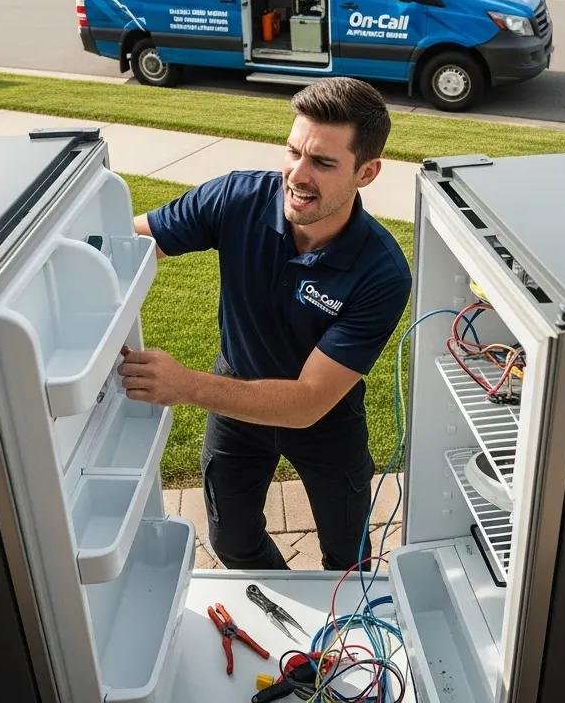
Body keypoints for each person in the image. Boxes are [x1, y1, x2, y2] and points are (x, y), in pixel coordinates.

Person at [120, 77, 412, 571]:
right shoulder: (238, 199)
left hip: (325, 423)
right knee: (233, 542)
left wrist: (186, 385)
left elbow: (306, 404)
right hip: (236, 403)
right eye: (294, 151)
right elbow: (130, 242)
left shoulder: (381, 271)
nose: (297, 175)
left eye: (322, 162)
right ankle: (290, 625)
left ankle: (340, 641)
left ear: (367, 172)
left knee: (347, 560)